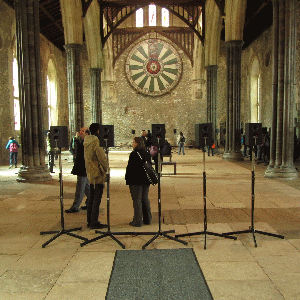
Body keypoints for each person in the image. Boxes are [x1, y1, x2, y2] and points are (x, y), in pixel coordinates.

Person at [84, 123, 108, 229]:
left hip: (90, 172)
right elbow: (101, 157)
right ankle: (94, 222)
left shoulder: (86, 141)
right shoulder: (96, 142)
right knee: (96, 199)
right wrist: (107, 169)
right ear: (98, 131)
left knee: (91, 198)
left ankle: (90, 220)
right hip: (97, 173)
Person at [125, 136, 152, 227]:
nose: (132, 144)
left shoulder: (134, 154)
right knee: (145, 199)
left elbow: (130, 169)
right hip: (145, 180)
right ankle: (148, 219)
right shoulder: (147, 153)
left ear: (137, 143)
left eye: (133, 142)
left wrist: (127, 179)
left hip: (135, 181)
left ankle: (137, 221)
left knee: (137, 200)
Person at [65, 127, 90, 213]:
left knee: (80, 188)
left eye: (82, 131)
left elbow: (78, 151)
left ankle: (75, 207)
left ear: (87, 133)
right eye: (80, 131)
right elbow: (73, 151)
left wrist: (76, 140)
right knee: (87, 188)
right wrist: (75, 139)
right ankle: (90, 203)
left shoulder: (86, 142)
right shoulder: (80, 141)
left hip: (83, 168)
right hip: (81, 168)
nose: (80, 132)